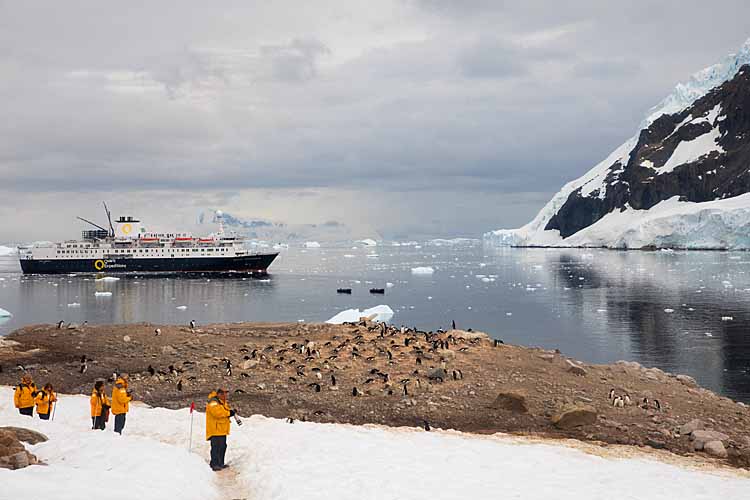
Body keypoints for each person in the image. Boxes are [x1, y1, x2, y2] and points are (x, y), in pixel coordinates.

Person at [205, 388, 235, 471]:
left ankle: (220, 463)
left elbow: (224, 411)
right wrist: (229, 413)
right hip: (215, 429)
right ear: (219, 394)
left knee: (222, 446)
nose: (225, 396)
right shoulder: (213, 402)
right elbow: (217, 413)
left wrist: (231, 412)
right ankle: (214, 464)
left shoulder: (221, 402)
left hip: (221, 429)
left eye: (226, 394)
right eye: (224, 394)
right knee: (216, 447)